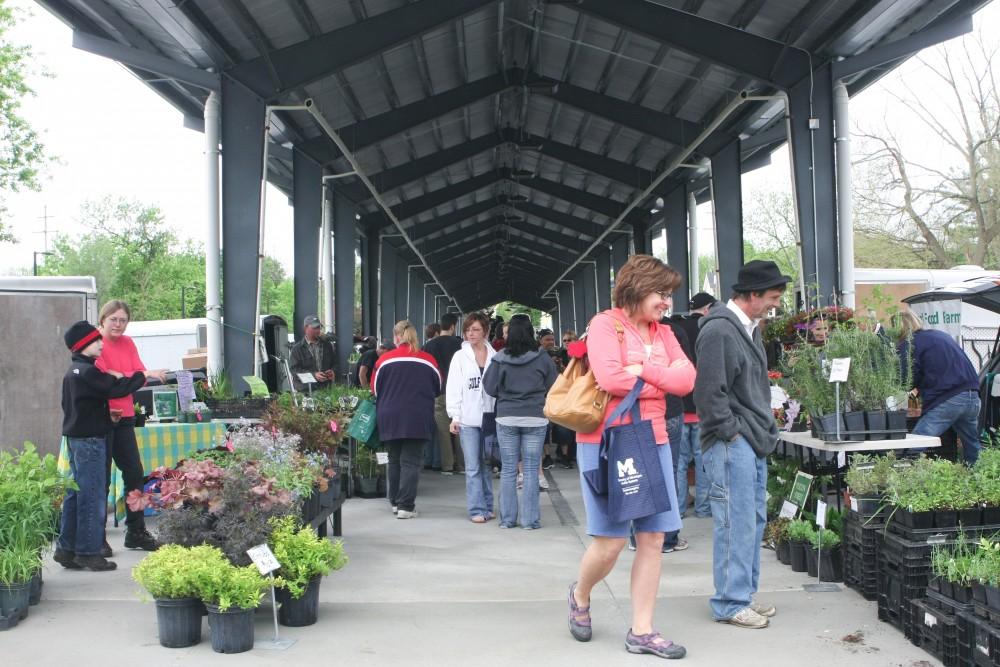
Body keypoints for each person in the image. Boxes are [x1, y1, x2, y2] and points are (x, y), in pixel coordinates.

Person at [568, 254, 695, 659]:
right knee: (609, 542)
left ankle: (642, 631)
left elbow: (687, 379)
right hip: (607, 443)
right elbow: (609, 377)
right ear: (637, 289)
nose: (666, 302)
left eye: (669, 295)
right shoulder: (605, 324)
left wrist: (642, 372)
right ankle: (580, 593)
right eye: (661, 293)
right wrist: (659, 375)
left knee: (653, 538)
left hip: (653, 440)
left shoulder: (665, 331)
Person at [694, 259, 790, 629]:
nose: (775, 304)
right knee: (736, 523)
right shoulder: (720, 330)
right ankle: (730, 602)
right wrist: (731, 432)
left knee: (750, 520)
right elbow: (708, 393)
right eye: (771, 297)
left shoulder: (747, 328)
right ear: (751, 295)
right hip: (734, 441)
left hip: (748, 438)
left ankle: (742, 594)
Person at [56, 321, 151, 571]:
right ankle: (89, 552)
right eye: (96, 340)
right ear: (84, 345)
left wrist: (105, 417)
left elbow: (79, 407)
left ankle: (66, 549)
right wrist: (143, 376)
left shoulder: (74, 371)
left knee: (76, 494)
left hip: (76, 438)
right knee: (93, 495)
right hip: (91, 441)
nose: (101, 344)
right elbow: (114, 388)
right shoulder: (89, 372)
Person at [94, 300, 167, 554]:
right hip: (102, 417)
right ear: (102, 320)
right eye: (113, 319)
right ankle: (96, 537)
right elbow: (108, 381)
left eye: (123, 320)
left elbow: (137, 374)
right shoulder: (96, 344)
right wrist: (134, 377)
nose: (118, 324)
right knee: (100, 480)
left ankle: (135, 531)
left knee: (135, 473)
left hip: (125, 416)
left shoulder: (128, 343)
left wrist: (127, 376)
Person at [483, 314, 557, 529]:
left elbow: (489, 387)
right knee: (532, 469)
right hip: (535, 417)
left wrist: (507, 395)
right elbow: (553, 385)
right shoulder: (542, 358)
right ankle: (530, 520)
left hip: (507, 416)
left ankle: (507, 520)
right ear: (531, 332)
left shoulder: (499, 357)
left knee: (508, 469)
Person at [370, 321, 441, 519]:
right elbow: (438, 387)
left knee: (394, 459)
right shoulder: (429, 360)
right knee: (410, 461)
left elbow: (374, 388)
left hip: (389, 415)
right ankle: (406, 506)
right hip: (418, 416)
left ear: (396, 337)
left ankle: (394, 502)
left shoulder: (384, 360)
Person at [896, 310, 982, 464]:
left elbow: (905, 378)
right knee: (972, 446)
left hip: (949, 398)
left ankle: (900, 478)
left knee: (917, 442)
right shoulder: (940, 335)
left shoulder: (910, 343)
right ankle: (978, 479)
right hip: (973, 396)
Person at [447, 312, 497, 523]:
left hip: (489, 418)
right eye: (468, 330)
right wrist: (454, 416)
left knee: (487, 464)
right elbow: (453, 387)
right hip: (467, 419)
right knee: (473, 466)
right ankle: (476, 508)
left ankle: (488, 505)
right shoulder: (460, 357)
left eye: (475, 329)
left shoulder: (495, 356)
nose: (471, 333)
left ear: (485, 331)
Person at [670, 292, 716, 520]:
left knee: (678, 463)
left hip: (678, 403)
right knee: (703, 461)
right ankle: (703, 508)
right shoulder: (708, 328)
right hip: (701, 406)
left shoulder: (674, 329)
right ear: (707, 308)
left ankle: (678, 508)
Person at [424, 313, 465, 475]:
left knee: (443, 432)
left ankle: (447, 466)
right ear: (453, 326)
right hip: (459, 392)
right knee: (459, 429)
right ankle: (461, 465)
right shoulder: (461, 344)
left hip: (439, 392)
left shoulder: (430, 346)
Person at [289, 315, 336, 390]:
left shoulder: (327, 345)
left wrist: (333, 372)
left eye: (319, 327)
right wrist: (313, 375)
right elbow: (294, 370)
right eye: (315, 328)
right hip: (305, 391)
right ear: (305, 328)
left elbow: (335, 363)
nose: (318, 330)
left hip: (325, 389)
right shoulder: (297, 349)